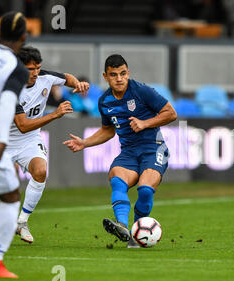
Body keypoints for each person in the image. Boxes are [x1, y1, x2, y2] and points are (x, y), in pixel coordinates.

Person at [63, 54, 177, 248]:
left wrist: (145, 123)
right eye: (114, 75)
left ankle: (135, 233)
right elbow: (108, 130)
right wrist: (85, 143)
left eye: (123, 73)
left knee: (145, 190)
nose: (119, 78)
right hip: (129, 153)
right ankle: (123, 227)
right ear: (105, 76)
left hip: (154, 148)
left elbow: (171, 113)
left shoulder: (142, 91)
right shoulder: (105, 101)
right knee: (117, 180)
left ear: (128, 73)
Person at [9, 46, 88, 243]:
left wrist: (77, 84)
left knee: (41, 171)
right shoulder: (11, 88)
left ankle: (22, 222)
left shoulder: (45, 77)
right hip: (4, 141)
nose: (35, 73)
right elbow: (23, 126)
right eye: (30, 69)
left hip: (29, 141)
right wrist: (55, 114)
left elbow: (66, 77)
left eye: (38, 68)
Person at [0, 11, 29, 278]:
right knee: (11, 197)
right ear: (24, 37)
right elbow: (5, 103)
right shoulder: (17, 68)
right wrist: (2, 140)